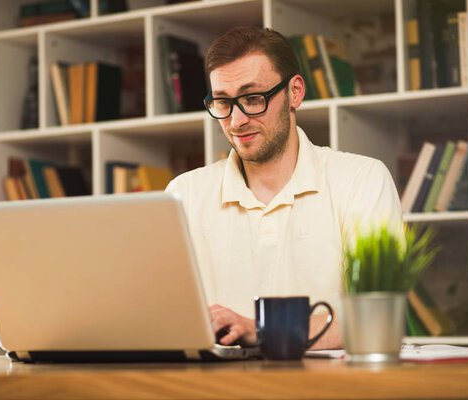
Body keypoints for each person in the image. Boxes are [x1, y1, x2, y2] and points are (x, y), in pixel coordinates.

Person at [165, 26, 403, 349]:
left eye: (252, 99)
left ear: (295, 92)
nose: (236, 121)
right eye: (222, 102)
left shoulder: (362, 180)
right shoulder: (184, 194)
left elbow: (378, 316)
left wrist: (262, 330)